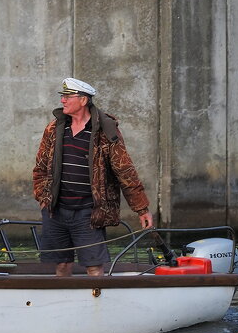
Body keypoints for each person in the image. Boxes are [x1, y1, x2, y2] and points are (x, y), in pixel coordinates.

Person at [32, 77, 153, 277]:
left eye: (68, 96)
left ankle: (98, 305)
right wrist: (43, 199)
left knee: (94, 267)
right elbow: (40, 167)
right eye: (63, 96)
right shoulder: (54, 129)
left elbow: (125, 171)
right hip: (56, 210)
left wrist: (142, 209)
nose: (63, 100)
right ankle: (65, 306)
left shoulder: (105, 131)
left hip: (89, 213)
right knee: (61, 265)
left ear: (83, 100)